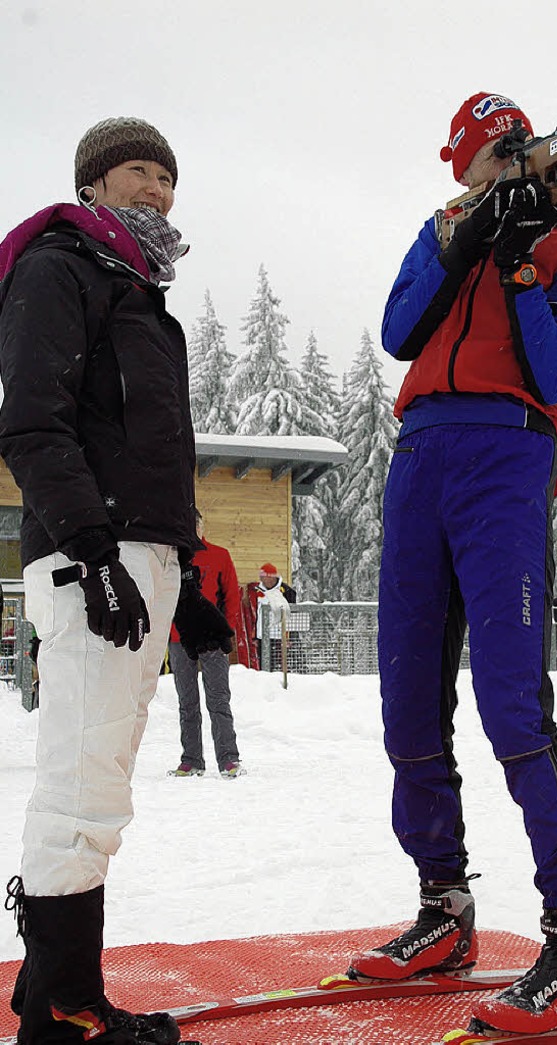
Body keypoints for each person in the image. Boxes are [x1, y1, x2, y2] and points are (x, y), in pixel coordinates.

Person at [346, 93, 557, 1036]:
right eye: (488, 155)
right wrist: (464, 247)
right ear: (463, 167)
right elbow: (399, 331)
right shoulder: (440, 230)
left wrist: (518, 266)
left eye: (517, 148)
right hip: (420, 453)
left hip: (508, 448)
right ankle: (444, 904)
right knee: (408, 693)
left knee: (510, 698)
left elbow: (555, 374)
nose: (505, 164)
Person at [0, 116, 234, 1045]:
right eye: (140, 170)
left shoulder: (139, 291)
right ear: (94, 181)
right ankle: (60, 1006)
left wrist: (191, 584)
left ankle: (63, 996)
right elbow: (33, 424)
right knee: (79, 782)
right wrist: (93, 554)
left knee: (101, 784)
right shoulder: (59, 269)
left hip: (144, 560)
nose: (159, 189)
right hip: (90, 560)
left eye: (169, 177)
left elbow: (149, 456)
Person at [168, 510, 246, 779]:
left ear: (202, 527)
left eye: (195, 526)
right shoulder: (170, 560)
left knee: (218, 699)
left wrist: (225, 629)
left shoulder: (219, 555)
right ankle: (191, 760)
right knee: (187, 702)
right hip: (179, 639)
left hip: (211, 639)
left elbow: (232, 595)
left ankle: (228, 759)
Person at [238, 564, 296, 670]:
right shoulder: (256, 591)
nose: (264, 580)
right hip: (261, 636)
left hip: (278, 636)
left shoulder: (286, 591)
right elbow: (254, 615)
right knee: (262, 667)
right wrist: (254, 636)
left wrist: (289, 637)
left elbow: (291, 616)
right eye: (262, 577)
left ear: (273, 577)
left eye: (267, 577)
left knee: (277, 668)